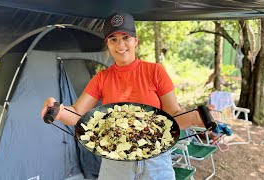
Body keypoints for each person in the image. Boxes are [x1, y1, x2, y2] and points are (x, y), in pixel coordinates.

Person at [41, 12, 208, 180]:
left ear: (136, 41)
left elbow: (173, 115)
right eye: (113, 39)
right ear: (107, 43)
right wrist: (59, 112)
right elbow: (77, 113)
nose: (120, 44)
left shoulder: (155, 72)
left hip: (155, 162)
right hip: (115, 163)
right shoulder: (101, 78)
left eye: (126, 37)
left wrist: (194, 117)